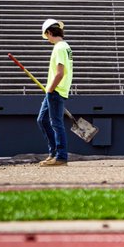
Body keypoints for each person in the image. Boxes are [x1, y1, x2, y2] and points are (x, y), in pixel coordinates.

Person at [36, 18, 73, 167]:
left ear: (50, 32)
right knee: (42, 120)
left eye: (47, 36)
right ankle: (53, 153)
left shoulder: (59, 48)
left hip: (55, 90)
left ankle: (61, 156)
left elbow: (60, 72)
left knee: (56, 124)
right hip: (54, 91)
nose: (48, 40)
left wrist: (50, 89)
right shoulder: (65, 47)